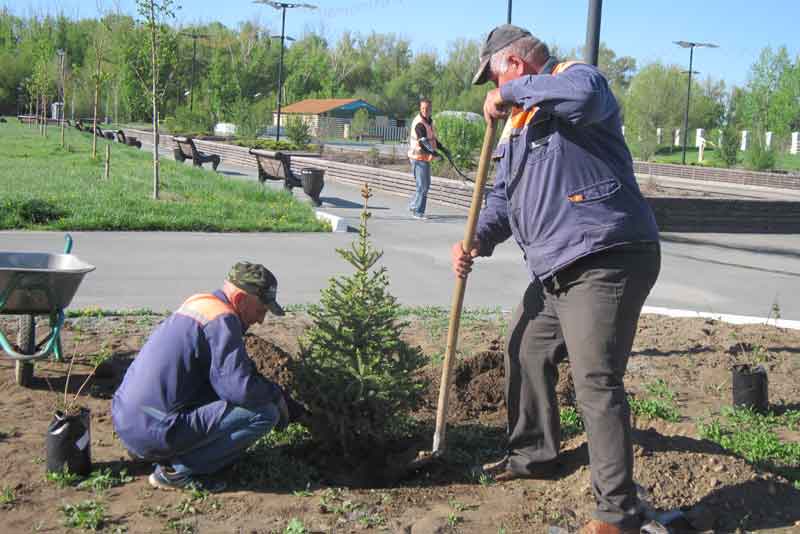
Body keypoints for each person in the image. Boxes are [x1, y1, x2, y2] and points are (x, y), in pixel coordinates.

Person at [451, 25, 661, 534]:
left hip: (605, 254)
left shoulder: (574, 80)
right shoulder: (518, 125)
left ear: (515, 65)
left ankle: (616, 513)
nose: (491, 91)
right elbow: (502, 199)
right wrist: (475, 237)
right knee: (525, 347)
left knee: (595, 380)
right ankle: (535, 454)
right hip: (556, 266)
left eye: (493, 78)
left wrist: (509, 94)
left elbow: (586, 97)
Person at [112, 262, 299, 492]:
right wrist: (276, 395)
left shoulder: (200, 304)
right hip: (152, 429)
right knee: (264, 413)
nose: (260, 320)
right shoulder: (223, 320)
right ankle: (176, 472)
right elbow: (237, 389)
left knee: (221, 394)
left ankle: (150, 449)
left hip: (129, 421)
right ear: (240, 300)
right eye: (261, 310)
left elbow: (227, 374)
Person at [407, 97, 450, 220]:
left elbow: (432, 139)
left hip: (423, 158)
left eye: (427, 108)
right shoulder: (419, 123)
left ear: (431, 109)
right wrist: (435, 154)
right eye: (423, 108)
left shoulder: (429, 121)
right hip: (418, 157)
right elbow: (423, 143)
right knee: (423, 186)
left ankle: (414, 205)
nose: (425, 110)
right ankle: (418, 212)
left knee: (424, 185)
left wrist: (442, 149)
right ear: (420, 109)